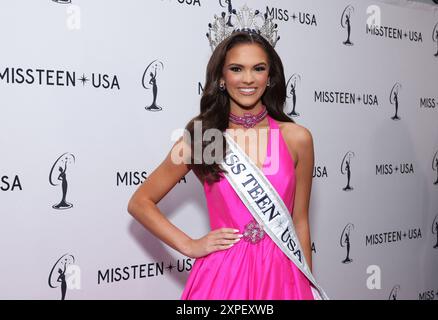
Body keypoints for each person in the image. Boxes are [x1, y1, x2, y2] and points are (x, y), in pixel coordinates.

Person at [127, 30, 319, 299]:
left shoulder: (297, 138)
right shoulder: (206, 139)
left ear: (271, 77)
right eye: (236, 69)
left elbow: (299, 222)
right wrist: (190, 245)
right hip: (224, 277)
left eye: (259, 68)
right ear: (220, 78)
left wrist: (307, 284)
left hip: (283, 275)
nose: (248, 79)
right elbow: (140, 202)